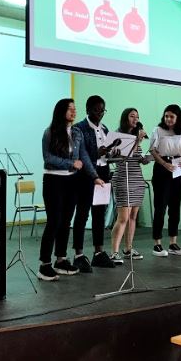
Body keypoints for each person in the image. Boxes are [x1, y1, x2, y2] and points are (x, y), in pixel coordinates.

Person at [38, 98, 104, 281]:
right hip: (53, 180)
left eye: (75, 109)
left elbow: (83, 156)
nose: (74, 112)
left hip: (72, 180)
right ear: (61, 111)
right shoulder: (49, 132)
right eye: (70, 109)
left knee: (66, 221)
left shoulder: (76, 132)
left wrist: (94, 176)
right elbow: (47, 158)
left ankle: (61, 260)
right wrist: (70, 163)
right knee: (54, 221)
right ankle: (44, 265)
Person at [71, 95, 116, 272]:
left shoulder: (105, 129)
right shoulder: (79, 128)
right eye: (96, 110)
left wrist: (112, 153)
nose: (100, 114)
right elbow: (79, 155)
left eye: (102, 110)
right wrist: (98, 152)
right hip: (85, 175)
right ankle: (79, 255)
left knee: (99, 214)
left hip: (103, 172)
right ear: (88, 110)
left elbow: (106, 154)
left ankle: (99, 252)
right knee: (82, 214)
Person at [149, 104, 181, 257]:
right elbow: (153, 151)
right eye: (166, 116)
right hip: (162, 168)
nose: (168, 119)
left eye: (171, 116)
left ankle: (173, 243)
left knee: (175, 206)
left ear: (178, 118)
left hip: (177, 169)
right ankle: (157, 244)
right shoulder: (157, 130)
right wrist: (164, 163)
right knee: (160, 207)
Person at [109, 108, 149, 264]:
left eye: (137, 116)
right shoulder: (118, 136)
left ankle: (128, 249)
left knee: (133, 217)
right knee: (123, 217)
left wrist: (145, 158)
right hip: (123, 178)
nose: (135, 119)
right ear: (125, 118)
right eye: (132, 116)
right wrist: (137, 141)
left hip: (137, 179)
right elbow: (122, 158)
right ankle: (114, 252)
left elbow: (136, 157)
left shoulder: (136, 134)